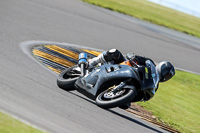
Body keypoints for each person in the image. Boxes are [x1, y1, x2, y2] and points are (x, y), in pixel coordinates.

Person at [87, 49, 175, 83]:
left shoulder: (154, 85)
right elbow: (137, 58)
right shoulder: (149, 63)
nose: (164, 75)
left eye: (167, 76)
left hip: (128, 80)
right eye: (165, 71)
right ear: (161, 66)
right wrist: (134, 59)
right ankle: (91, 62)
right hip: (123, 67)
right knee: (115, 52)